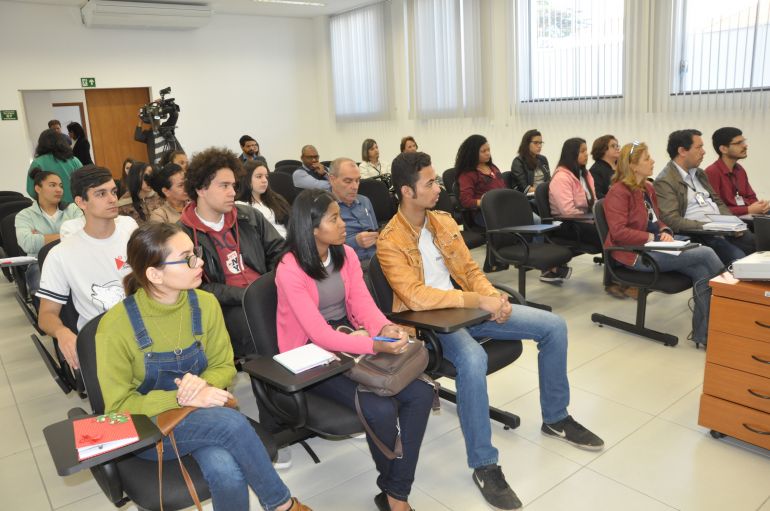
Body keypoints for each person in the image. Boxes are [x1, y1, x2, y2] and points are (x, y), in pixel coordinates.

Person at [377, 151, 604, 511]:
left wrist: (493, 297)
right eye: (430, 182)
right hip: (435, 322)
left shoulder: (444, 222)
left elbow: (470, 270)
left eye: (436, 179)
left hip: (470, 307)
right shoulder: (389, 240)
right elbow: (415, 297)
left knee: (554, 327)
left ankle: (556, 418)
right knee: (471, 358)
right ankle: (484, 464)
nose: (438, 187)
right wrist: (476, 301)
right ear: (407, 190)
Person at [96, 222, 310, 511]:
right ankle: (283, 505)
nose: (199, 262)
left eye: (194, 252)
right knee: (232, 423)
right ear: (154, 274)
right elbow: (118, 407)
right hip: (150, 428)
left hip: (204, 414)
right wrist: (184, 395)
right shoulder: (116, 325)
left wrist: (203, 385)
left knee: (226, 471)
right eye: (187, 258)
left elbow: (224, 365)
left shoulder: (206, 304)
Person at [276, 189, 432, 511]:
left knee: (420, 394)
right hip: (313, 355)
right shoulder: (289, 269)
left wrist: (383, 328)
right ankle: (397, 497)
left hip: (349, 338)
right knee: (381, 409)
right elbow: (318, 333)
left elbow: (362, 303)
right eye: (333, 218)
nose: (342, 223)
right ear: (312, 227)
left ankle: (394, 493)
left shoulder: (343, 254)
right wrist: (372, 343)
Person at [605, 142, 724, 347]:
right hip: (636, 255)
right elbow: (618, 232)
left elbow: (657, 220)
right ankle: (733, 304)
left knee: (702, 272)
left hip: (657, 246)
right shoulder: (618, 192)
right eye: (646, 158)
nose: (652, 161)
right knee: (705, 253)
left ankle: (703, 335)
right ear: (633, 166)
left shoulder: (647, 188)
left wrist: (664, 231)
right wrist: (651, 238)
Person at [178, 147, 284, 357]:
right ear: (200, 189)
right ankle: (276, 385)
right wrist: (245, 295)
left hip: (265, 290)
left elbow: (280, 252)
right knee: (254, 329)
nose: (233, 193)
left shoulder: (249, 217)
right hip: (224, 305)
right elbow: (196, 287)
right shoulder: (182, 233)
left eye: (233, 186)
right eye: (224, 186)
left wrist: (273, 284)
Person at [36, 165, 138, 370]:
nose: (112, 199)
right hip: (103, 339)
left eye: (113, 191)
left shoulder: (130, 229)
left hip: (146, 325)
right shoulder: (61, 254)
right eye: (101, 194)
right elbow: (46, 315)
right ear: (81, 202)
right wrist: (62, 333)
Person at [654, 129, 756, 265]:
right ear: (682, 151)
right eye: (699, 147)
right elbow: (672, 220)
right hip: (699, 234)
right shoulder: (665, 180)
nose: (704, 152)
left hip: (721, 230)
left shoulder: (699, 174)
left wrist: (730, 223)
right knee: (738, 257)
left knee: (758, 244)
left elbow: (718, 202)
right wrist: (709, 226)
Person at [15, 168, 83, 295]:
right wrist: (68, 234)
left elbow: (83, 235)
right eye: (52, 185)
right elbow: (28, 243)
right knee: (46, 291)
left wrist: (41, 237)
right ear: (38, 188)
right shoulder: (24, 216)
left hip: (74, 259)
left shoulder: (72, 209)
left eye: (61, 186)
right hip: (40, 264)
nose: (59, 190)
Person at [549, 137, 603, 252]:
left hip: (585, 220)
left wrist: (599, 216)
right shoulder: (561, 177)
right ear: (571, 154)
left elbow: (595, 201)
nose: (586, 154)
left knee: (614, 227)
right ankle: (617, 265)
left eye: (586, 151)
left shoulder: (585, 174)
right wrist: (592, 220)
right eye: (582, 151)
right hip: (567, 224)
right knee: (605, 234)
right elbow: (568, 211)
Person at [705, 127, 770, 217]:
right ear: (723, 149)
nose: (745, 145)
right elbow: (715, 208)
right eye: (739, 143)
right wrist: (748, 209)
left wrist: (761, 205)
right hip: (730, 222)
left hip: (747, 216)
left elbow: (751, 197)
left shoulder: (740, 170)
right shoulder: (712, 172)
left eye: (743, 142)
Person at [328, 158, 378, 265]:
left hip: (377, 259)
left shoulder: (365, 201)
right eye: (348, 181)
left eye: (357, 180)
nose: (355, 187)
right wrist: (355, 242)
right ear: (332, 180)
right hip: (348, 265)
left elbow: (375, 231)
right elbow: (323, 249)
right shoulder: (323, 207)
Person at [454, 134, 506, 227]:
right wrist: (488, 202)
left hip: (502, 208)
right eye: (483, 151)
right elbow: (466, 201)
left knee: (530, 218)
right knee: (519, 221)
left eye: (488, 150)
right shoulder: (467, 174)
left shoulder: (493, 168)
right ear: (472, 153)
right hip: (483, 213)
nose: (488, 153)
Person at [236, 160, 290, 238]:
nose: (265, 180)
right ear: (247, 179)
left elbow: (291, 223)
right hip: (271, 247)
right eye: (259, 176)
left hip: (289, 242)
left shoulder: (275, 198)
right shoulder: (240, 206)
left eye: (266, 176)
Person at [26, 129, 82, 203]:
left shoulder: (37, 163)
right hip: (75, 206)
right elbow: (84, 184)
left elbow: (31, 191)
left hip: (50, 207)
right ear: (62, 142)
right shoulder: (74, 160)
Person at [510, 129, 551, 196]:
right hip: (528, 197)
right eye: (535, 143)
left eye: (540, 143)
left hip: (543, 194)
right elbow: (525, 189)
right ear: (527, 144)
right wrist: (544, 191)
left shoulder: (543, 159)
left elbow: (548, 180)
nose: (539, 146)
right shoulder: (518, 162)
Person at [589, 134, 620, 199]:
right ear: (603, 149)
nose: (617, 148)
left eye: (617, 145)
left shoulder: (623, 167)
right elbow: (598, 195)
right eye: (613, 146)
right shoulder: (595, 170)